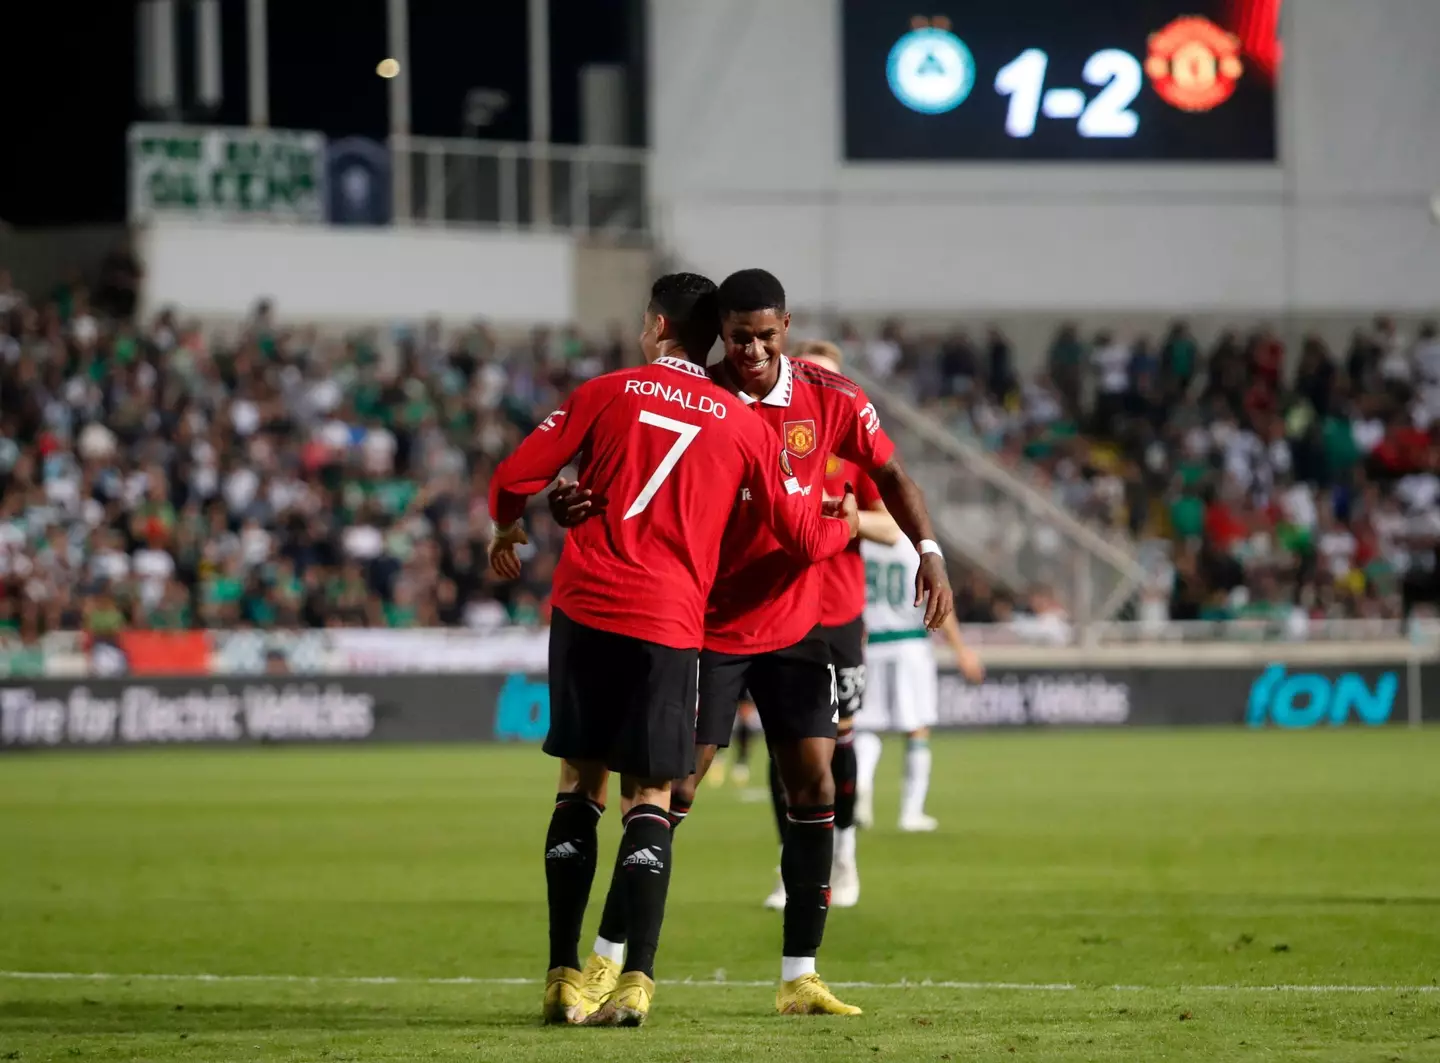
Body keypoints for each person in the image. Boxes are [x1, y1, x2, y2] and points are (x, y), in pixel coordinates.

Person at [559, 269, 954, 1017]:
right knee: (670, 794)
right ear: (722, 333)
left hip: (799, 627)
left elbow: (892, 472)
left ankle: (799, 974)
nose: (752, 350)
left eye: (766, 336)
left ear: (786, 326)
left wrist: (929, 550)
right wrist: (572, 503)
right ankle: (607, 961)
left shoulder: (830, 398)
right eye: (739, 337)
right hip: (707, 629)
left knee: (817, 787)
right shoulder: (693, 399)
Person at [487, 273, 858, 1027]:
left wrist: (508, 524)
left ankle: (564, 973)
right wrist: (843, 526)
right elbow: (797, 532)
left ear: (656, 325)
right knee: (651, 798)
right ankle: (636, 983)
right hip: (671, 622)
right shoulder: (745, 424)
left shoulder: (607, 391)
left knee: (577, 787)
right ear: (715, 336)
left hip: (586, 606)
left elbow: (513, 476)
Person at [762, 340, 902, 913]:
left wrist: (849, 523)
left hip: (839, 613)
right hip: (779, 610)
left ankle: (842, 857)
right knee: (785, 748)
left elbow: (892, 528)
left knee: (840, 738)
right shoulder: (772, 437)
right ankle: (791, 862)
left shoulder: (853, 450)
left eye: (836, 382)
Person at [853, 534, 984, 831]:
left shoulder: (861, 540)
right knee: (917, 729)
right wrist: (961, 651)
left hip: (868, 644)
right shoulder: (917, 545)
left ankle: (860, 787)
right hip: (909, 644)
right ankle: (911, 813)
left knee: (867, 724)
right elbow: (939, 599)